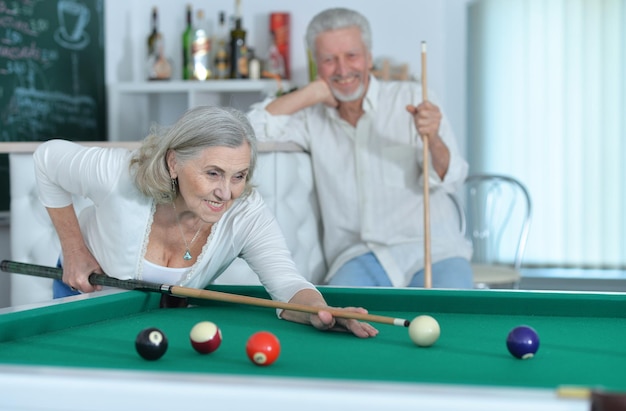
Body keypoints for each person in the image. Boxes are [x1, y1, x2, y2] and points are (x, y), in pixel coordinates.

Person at [33, 105, 378, 338]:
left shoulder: (246, 213)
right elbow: (47, 159)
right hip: (84, 291)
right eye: (213, 173)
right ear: (173, 163)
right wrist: (74, 249)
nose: (226, 193)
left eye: (238, 175)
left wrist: (321, 311)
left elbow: (287, 285)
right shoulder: (118, 175)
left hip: (157, 318)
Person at [247, 8, 473, 289]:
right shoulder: (310, 116)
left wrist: (434, 137)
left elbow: (452, 178)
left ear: (368, 57)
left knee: (451, 321)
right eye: (329, 60)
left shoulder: (413, 98)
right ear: (317, 65)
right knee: (337, 323)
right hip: (358, 257)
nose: (342, 69)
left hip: (433, 250)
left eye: (351, 56)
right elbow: (249, 129)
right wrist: (310, 93)